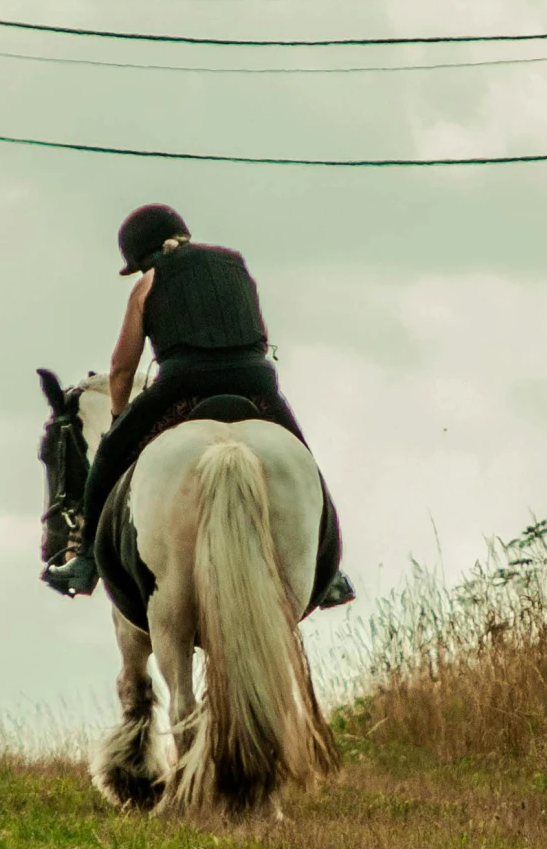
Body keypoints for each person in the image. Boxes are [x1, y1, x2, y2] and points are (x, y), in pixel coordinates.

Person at [43, 203, 338, 600]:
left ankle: (85, 563)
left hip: (184, 382)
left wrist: (118, 417)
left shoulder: (147, 283)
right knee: (303, 460)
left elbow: (121, 370)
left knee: (111, 456)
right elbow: (261, 335)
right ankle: (329, 569)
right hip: (255, 380)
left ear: (140, 257)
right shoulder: (236, 265)